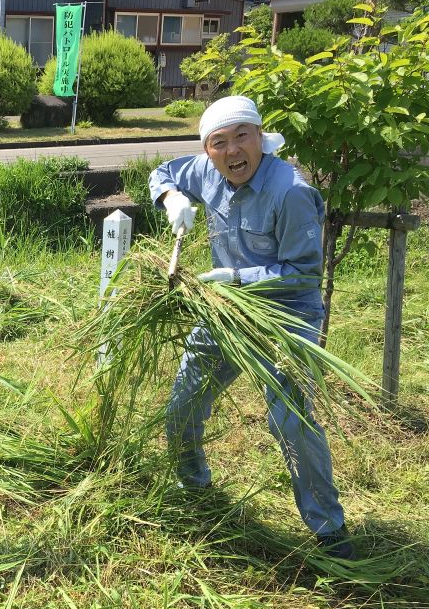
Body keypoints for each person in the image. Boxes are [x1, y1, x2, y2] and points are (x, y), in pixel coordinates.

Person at [149, 95, 356, 560]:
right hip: (226, 309)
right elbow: (162, 172)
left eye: (241, 136)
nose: (232, 150)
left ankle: (330, 531)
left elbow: (304, 273)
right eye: (218, 142)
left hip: (287, 313)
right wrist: (171, 197)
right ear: (208, 150)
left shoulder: (290, 191)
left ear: (260, 136)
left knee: (290, 420)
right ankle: (194, 489)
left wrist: (238, 277)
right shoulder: (205, 171)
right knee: (183, 404)